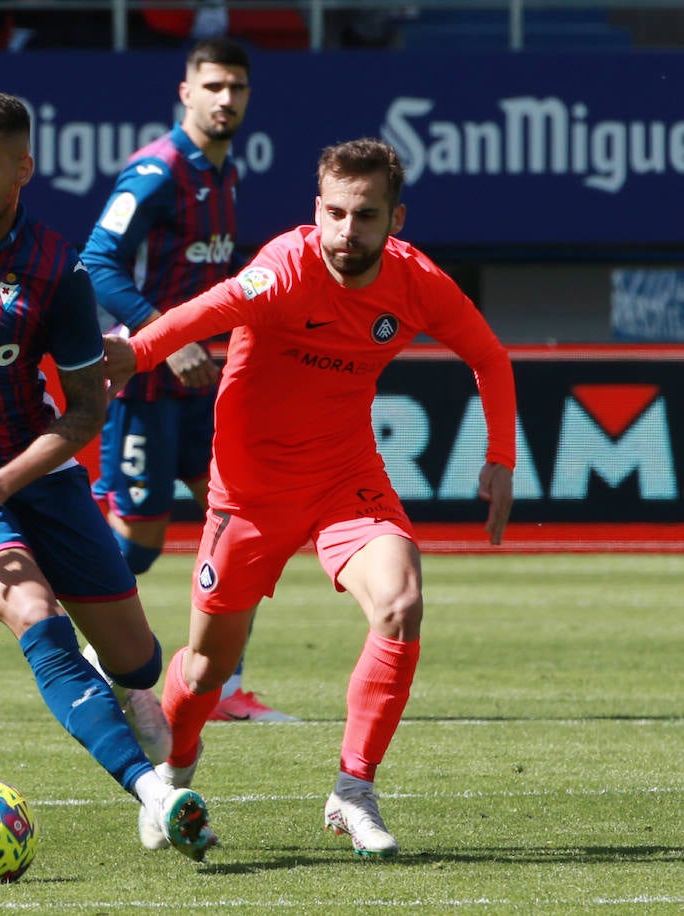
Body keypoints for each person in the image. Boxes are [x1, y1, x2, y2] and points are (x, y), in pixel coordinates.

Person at [102, 137, 516, 858]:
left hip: (343, 478)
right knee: (204, 667)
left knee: (401, 602)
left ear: (395, 219)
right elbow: (203, 312)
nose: (346, 232)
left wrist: (501, 459)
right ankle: (171, 771)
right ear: (315, 210)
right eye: (334, 212)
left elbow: (489, 356)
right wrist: (129, 358)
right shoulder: (283, 271)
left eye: (365, 215)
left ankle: (354, 790)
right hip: (250, 491)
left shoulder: (416, 282)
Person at [0, 90, 217, 862]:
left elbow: (87, 412)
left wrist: (3, 483)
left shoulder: (57, 271)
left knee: (138, 659)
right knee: (32, 607)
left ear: (24, 168)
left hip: (33, 470)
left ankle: (122, 689)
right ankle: (156, 793)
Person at [83, 36, 293, 724]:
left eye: (236, 87)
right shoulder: (159, 170)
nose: (225, 98)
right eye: (213, 86)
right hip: (150, 388)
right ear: (186, 92)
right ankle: (24, 560)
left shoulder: (223, 173)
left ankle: (226, 687)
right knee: (136, 549)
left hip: (208, 389)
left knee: (244, 523)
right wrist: (163, 340)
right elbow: (97, 260)